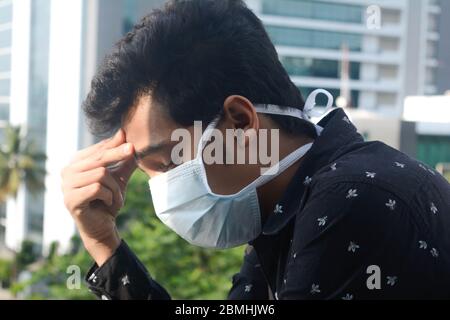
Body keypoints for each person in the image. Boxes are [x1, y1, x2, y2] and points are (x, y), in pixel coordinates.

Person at [61, 0, 450, 300]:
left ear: (241, 122)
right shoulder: (283, 211)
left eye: (171, 161)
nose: (163, 190)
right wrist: (103, 241)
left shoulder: (351, 202)